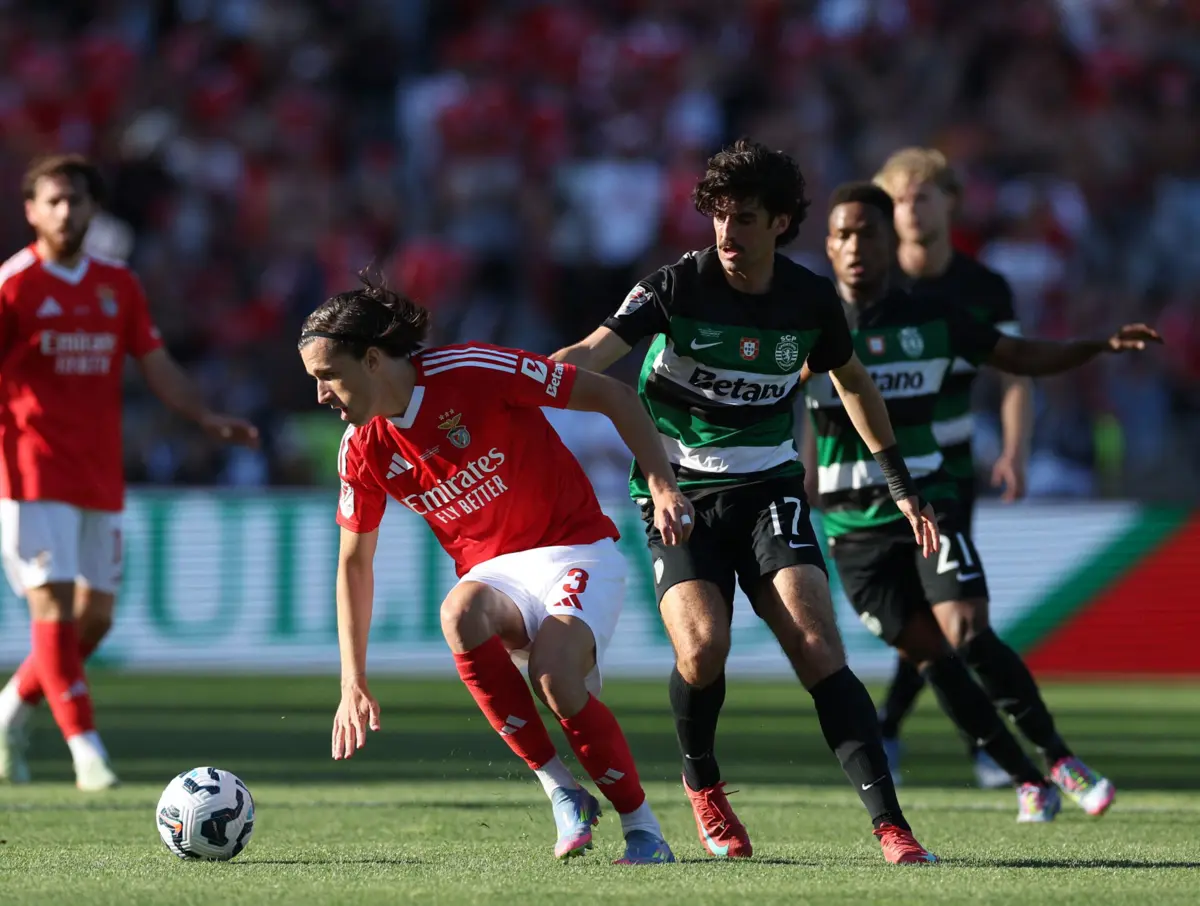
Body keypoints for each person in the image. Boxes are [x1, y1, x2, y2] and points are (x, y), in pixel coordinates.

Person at [552, 140, 940, 864]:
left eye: (746, 218)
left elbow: (853, 383)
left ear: (782, 222)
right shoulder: (675, 286)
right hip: (679, 492)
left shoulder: (809, 300)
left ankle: (893, 827)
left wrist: (901, 485)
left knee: (817, 646)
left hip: (769, 487)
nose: (728, 233)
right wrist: (512, 384)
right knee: (704, 651)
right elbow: (590, 354)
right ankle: (702, 783)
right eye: (719, 216)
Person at [297, 273, 685, 865]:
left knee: (555, 679)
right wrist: (353, 679)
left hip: (577, 547)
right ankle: (563, 791)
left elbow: (613, 395)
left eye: (328, 375)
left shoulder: (473, 369)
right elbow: (354, 563)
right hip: (498, 574)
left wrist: (662, 484)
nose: (321, 395)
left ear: (372, 359)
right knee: (458, 611)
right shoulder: (361, 448)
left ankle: (644, 830)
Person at [805, 182, 1158, 819]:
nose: (855, 246)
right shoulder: (804, 326)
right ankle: (1027, 779)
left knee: (967, 628)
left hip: (927, 503)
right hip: (850, 527)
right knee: (931, 657)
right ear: (828, 246)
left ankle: (1060, 759)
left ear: (890, 241)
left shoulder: (932, 318)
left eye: (867, 233)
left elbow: (1017, 355)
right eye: (842, 235)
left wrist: (1097, 346)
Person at [0, 155, 259, 790]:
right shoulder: (13, 285)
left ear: (94, 209)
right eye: (53, 201)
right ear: (31, 211)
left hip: (97, 471)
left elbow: (154, 360)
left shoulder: (117, 284)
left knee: (95, 620)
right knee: (53, 606)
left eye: (76, 200)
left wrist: (203, 416)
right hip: (31, 470)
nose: (66, 211)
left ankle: (8, 709)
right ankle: (87, 751)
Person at [871, 147, 1033, 789]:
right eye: (898, 199)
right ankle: (922, 731)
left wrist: (1015, 449)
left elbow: (1016, 373)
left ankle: (939, 736)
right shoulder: (871, 286)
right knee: (921, 611)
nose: (910, 209)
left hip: (950, 470)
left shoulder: (984, 288)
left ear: (950, 203)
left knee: (945, 609)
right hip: (877, 471)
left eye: (922, 196)